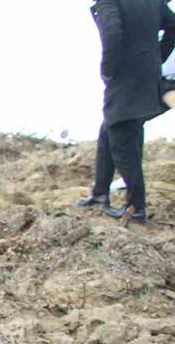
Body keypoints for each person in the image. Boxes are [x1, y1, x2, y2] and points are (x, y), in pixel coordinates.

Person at [78, 0, 175, 225]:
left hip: (126, 77)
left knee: (122, 136)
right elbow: (173, 26)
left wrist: (109, 70)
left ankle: (136, 207)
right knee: (112, 126)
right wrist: (156, 57)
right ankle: (100, 192)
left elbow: (112, 34)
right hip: (146, 74)